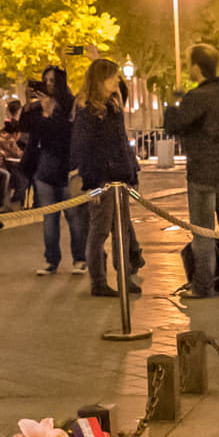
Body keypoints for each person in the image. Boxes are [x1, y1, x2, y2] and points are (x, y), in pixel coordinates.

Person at [164, 43, 219, 297]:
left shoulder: (197, 97)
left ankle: (203, 286)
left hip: (203, 172)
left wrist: (172, 104)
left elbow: (174, 125)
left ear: (196, 67)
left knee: (202, 231)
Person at [70, 59, 142, 298]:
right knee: (99, 232)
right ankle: (98, 282)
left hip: (120, 176)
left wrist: (131, 173)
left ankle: (124, 276)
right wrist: (93, 183)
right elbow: (84, 149)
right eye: (112, 77)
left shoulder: (113, 105)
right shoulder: (87, 110)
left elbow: (121, 142)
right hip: (102, 180)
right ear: (101, 80)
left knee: (123, 232)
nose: (116, 81)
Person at [23, 84, 84, 273]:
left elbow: (63, 139)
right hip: (45, 173)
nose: (41, 99)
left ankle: (80, 259)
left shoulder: (67, 115)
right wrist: (30, 107)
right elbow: (28, 131)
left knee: (74, 218)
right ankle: (51, 260)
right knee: (50, 219)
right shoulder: (38, 115)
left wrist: (49, 115)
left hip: (66, 173)